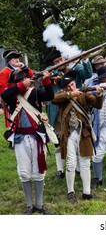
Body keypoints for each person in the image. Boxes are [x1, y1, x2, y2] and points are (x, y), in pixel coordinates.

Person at [1, 68, 54, 214]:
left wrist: (46, 80)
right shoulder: (12, 95)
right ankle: (29, 205)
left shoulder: (35, 92)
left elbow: (50, 95)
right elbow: (4, 95)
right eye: (17, 82)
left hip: (37, 136)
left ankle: (39, 204)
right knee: (24, 172)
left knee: (39, 172)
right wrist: (20, 85)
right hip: (20, 138)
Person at [52, 70, 104, 204]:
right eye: (67, 86)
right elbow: (54, 99)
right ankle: (71, 192)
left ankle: (87, 192)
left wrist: (99, 95)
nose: (71, 87)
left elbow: (98, 105)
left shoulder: (84, 94)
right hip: (68, 134)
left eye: (72, 85)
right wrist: (70, 94)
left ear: (75, 83)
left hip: (83, 133)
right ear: (64, 88)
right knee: (71, 163)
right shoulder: (63, 96)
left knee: (85, 163)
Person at [44, 49, 93, 180]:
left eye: (61, 60)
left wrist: (85, 59)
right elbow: (46, 86)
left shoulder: (76, 68)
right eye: (56, 61)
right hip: (57, 111)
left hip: (76, 109)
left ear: (65, 58)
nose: (60, 63)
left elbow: (88, 74)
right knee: (58, 141)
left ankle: (77, 168)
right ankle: (60, 170)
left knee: (79, 138)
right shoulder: (51, 71)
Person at [0, 49, 34, 128]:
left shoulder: (21, 69)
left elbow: (31, 75)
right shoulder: (4, 72)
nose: (17, 59)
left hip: (25, 98)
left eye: (18, 57)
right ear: (9, 60)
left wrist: (24, 67)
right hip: (12, 101)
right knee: (15, 124)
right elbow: (3, 91)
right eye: (14, 58)